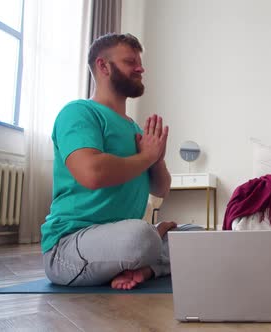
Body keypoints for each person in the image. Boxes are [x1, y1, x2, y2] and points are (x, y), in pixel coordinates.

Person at [42, 33, 178, 290]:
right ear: (103, 66)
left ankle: (144, 270)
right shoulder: (78, 112)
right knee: (143, 237)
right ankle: (147, 253)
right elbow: (92, 173)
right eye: (130, 61)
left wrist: (156, 159)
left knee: (195, 235)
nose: (140, 68)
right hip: (68, 248)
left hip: (121, 239)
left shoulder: (135, 129)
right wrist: (146, 156)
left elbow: (161, 189)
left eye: (140, 61)